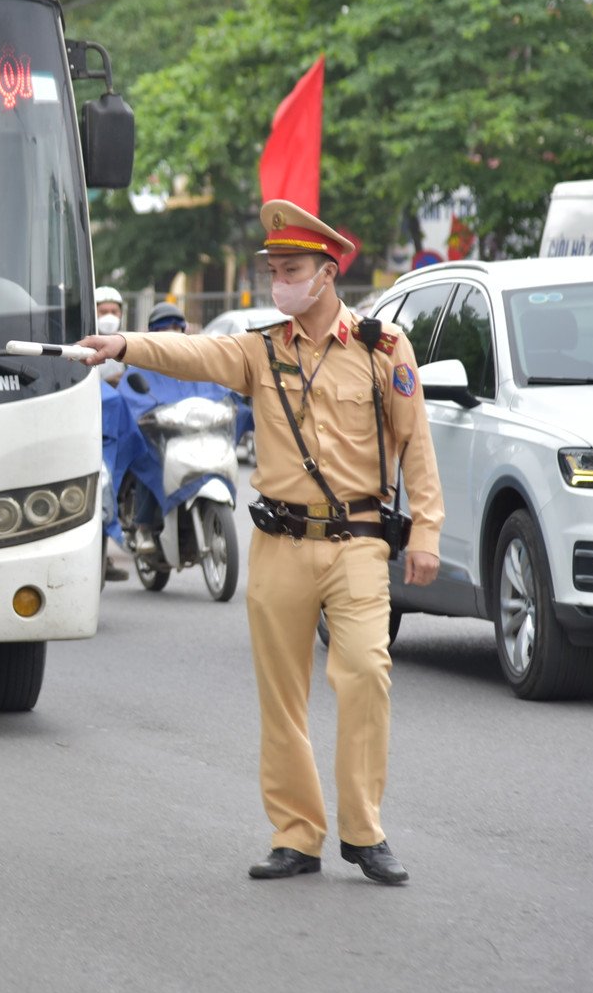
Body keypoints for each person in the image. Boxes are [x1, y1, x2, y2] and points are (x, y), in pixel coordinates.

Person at [79, 199, 443, 886]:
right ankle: (296, 835)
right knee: (282, 697)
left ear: (328, 272)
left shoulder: (381, 349)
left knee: (365, 673)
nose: (281, 279)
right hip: (278, 542)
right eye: (274, 269)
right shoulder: (259, 348)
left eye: (293, 268)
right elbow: (193, 352)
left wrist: (426, 529)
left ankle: (364, 831)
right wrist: (125, 344)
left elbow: (414, 444)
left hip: (358, 542)